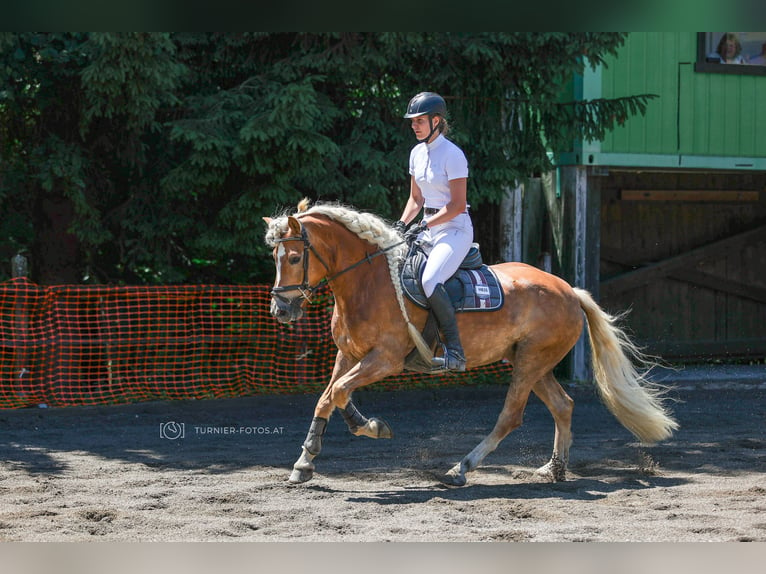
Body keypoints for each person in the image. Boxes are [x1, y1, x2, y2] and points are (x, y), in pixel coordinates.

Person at [394, 91, 472, 371]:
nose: (414, 126)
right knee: (398, 270)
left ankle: (455, 351)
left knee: (429, 280)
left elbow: (456, 205)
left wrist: (425, 224)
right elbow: (416, 199)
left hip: (455, 228)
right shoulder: (416, 153)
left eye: (420, 121)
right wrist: (402, 225)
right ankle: (415, 347)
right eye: (412, 121)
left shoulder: (453, 155)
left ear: (436, 121)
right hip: (427, 228)